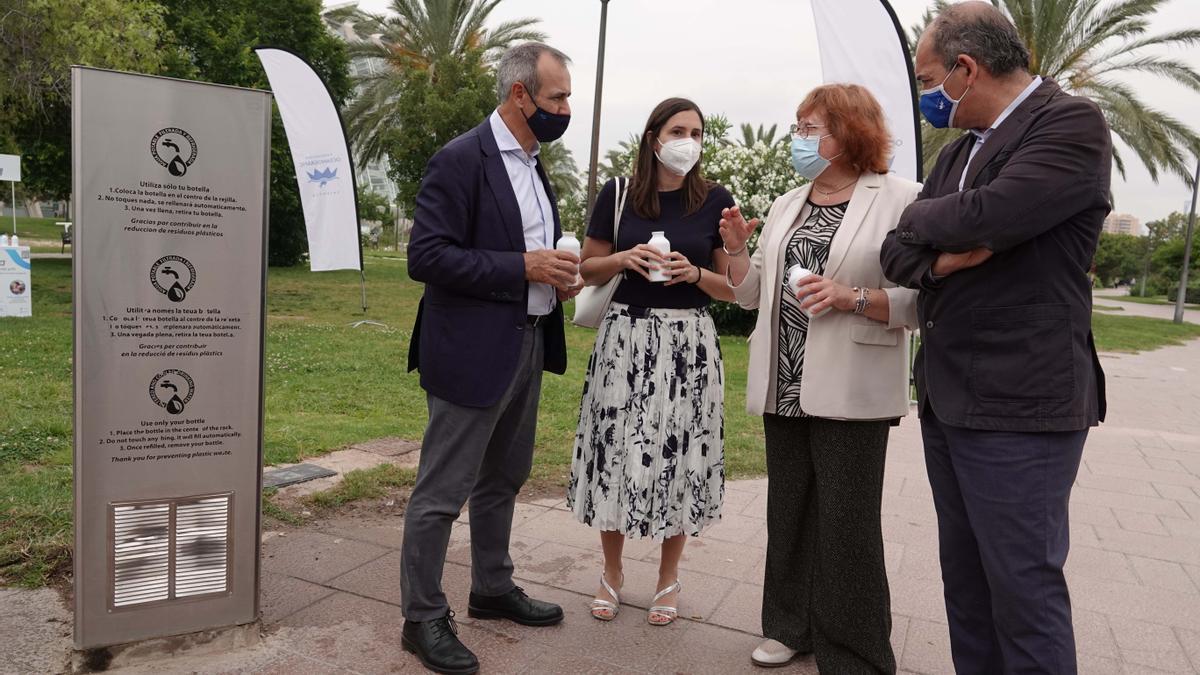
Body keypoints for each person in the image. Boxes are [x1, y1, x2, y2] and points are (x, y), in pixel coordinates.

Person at [880, 3, 1110, 673]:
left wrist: (923, 222)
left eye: (927, 78)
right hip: (950, 400)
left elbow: (994, 211)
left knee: (1022, 591)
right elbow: (896, 249)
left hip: (1021, 405)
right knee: (969, 588)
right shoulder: (957, 155)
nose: (925, 94)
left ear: (966, 69)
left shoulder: (1070, 124)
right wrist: (939, 248)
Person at [720, 84, 919, 673]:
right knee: (789, 512)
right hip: (784, 383)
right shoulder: (788, 202)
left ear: (850, 132)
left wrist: (851, 297)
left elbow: (921, 299)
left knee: (847, 525)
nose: (798, 139)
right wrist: (736, 252)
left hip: (852, 386)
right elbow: (753, 291)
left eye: (811, 129)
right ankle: (789, 626)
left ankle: (855, 649)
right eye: (798, 127)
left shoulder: (902, 200)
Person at [401, 42, 581, 675]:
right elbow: (426, 258)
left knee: (503, 478)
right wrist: (524, 266)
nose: (566, 109)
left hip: (528, 341)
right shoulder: (459, 160)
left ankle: (491, 587)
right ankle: (422, 616)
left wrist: (554, 278)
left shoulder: (534, 165)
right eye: (558, 97)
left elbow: (528, 251)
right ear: (520, 95)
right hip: (470, 352)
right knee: (441, 492)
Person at [567, 97, 735, 627]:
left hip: (690, 346)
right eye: (679, 130)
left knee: (680, 455)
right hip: (625, 339)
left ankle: (668, 577)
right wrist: (624, 257)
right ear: (653, 137)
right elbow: (586, 271)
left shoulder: (715, 199)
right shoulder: (617, 195)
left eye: (698, 132)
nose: (690, 140)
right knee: (616, 451)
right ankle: (611, 572)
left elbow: (733, 288)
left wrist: (696, 274)